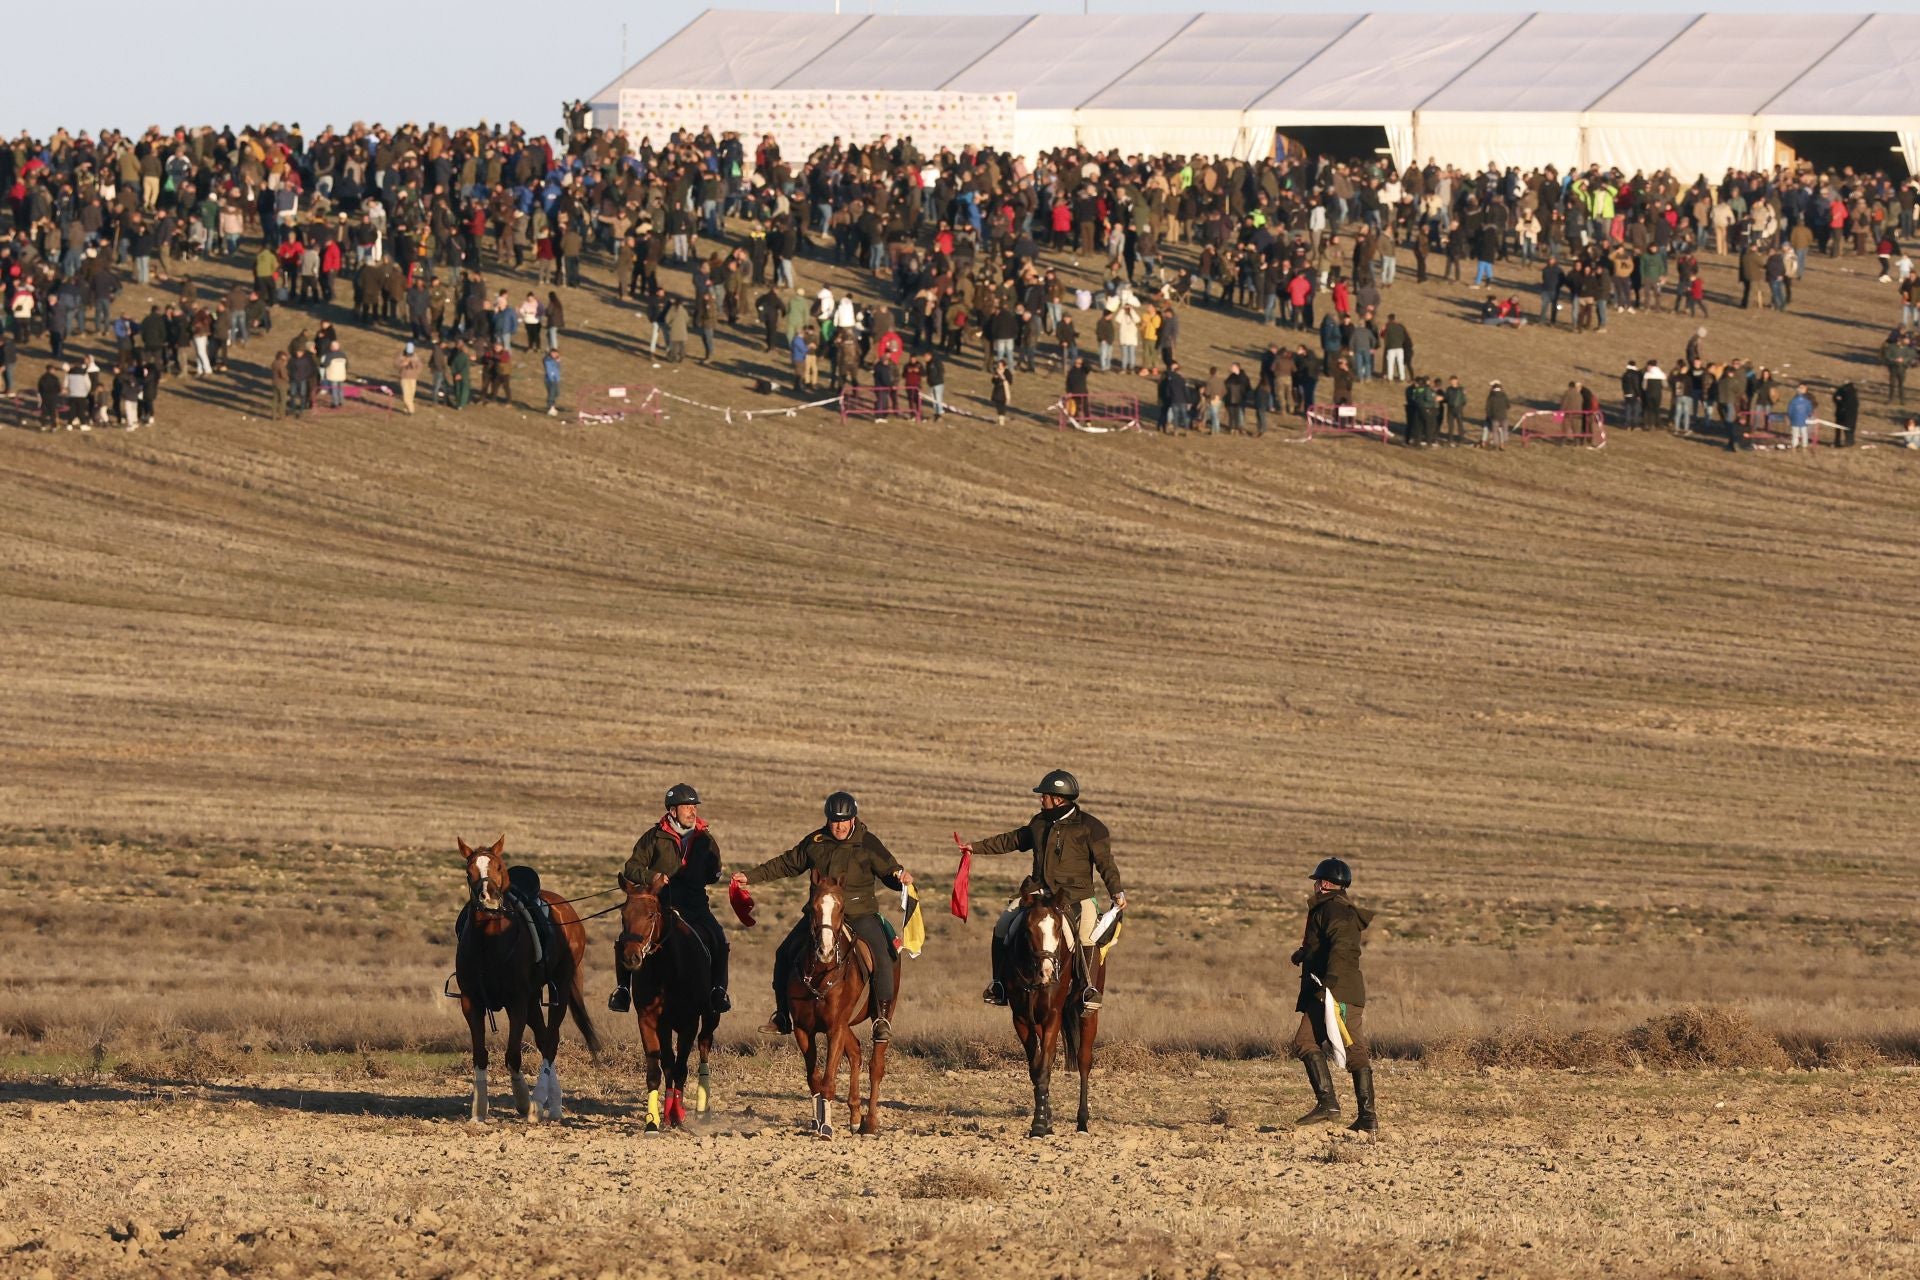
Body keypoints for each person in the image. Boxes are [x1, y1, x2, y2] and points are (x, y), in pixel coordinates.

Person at [733, 792, 910, 1041]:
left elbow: (890, 870)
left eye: (844, 820)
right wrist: (751, 876)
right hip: (820, 917)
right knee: (784, 953)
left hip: (859, 914)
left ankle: (881, 1019)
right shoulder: (815, 842)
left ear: (853, 819)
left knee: (883, 956)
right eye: (833, 820)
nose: (838, 826)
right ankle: (783, 1015)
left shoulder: (868, 843)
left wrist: (900, 878)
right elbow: (786, 863)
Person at [965, 769, 1126, 1013]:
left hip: (1076, 895)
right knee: (1002, 925)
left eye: (1045, 796)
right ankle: (998, 984)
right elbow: (1012, 840)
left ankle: (1088, 988)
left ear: (1058, 799)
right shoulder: (1039, 823)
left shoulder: (1092, 827)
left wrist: (1116, 891)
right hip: (1038, 892)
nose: (1041, 799)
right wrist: (974, 848)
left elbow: (1106, 863)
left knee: (1087, 936)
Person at [610, 783, 731, 1015]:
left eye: (694, 806)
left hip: (695, 906)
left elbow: (713, 873)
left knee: (719, 938)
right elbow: (631, 867)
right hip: (659, 906)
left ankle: (718, 991)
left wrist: (716, 873)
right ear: (673, 811)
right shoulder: (653, 837)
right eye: (686, 807)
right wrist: (652, 876)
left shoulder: (706, 839)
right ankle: (623, 989)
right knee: (627, 937)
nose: (692, 811)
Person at [1289, 856, 1376, 1133]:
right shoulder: (1331, 909)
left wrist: (1331, 985)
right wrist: (1304, 954)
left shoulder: (1336, 911)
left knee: (1312, 1042)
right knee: (1350, 1048)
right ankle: (1365, 1117)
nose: (1314, 885)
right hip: (1333, 990)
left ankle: (1331, 1105)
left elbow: (1342, 948)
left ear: (1325, 884)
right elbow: (1326, 943)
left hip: (1336, 992)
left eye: (1317, 881)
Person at [395, 343, 422, 416]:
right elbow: (396, 364)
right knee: (406, 395)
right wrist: (403, 363)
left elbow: (419, 366)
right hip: (404, 377)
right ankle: (411, 410)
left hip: (413, 378)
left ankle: (406, 409)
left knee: (411, 395)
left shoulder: (415, 357)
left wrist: (415, 369)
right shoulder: (401, 355)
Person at [543, 349, 562, 417]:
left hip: (555, 379)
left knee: (557, 393)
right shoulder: (548, 360)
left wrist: (557, 362)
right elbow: (549, 369)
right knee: (552, 393)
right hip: (550, 380)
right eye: (555, 353)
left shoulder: (555, 361)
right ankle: (550, 407)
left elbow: (558, 368)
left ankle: (552, 406)